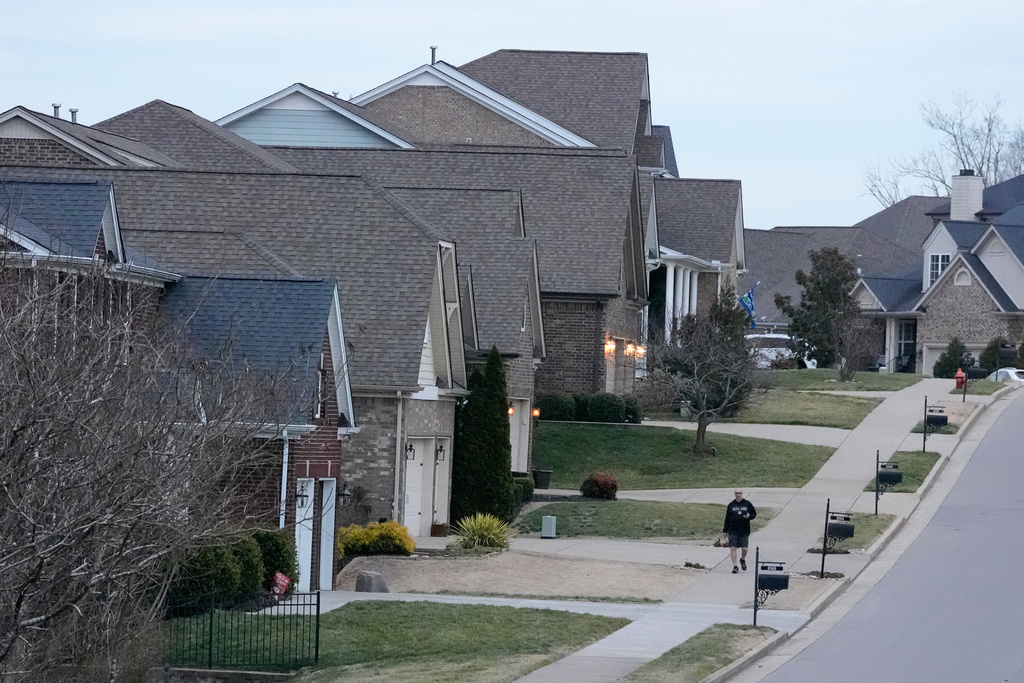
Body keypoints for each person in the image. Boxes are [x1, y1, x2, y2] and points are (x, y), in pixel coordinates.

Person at [723, 489, 756, 573]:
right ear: (734, 494)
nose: (738, 495)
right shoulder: (731, 505)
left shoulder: (747, 504)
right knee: (733, 548)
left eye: (739, 493)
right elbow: (727, 518)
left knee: (744, 548)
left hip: (744, 530)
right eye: (736, 493)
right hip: (733, 530)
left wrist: (749, 516)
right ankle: (735, 566)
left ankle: (742, 559)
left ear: (742, 494)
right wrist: (725, 530)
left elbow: (753, 514)